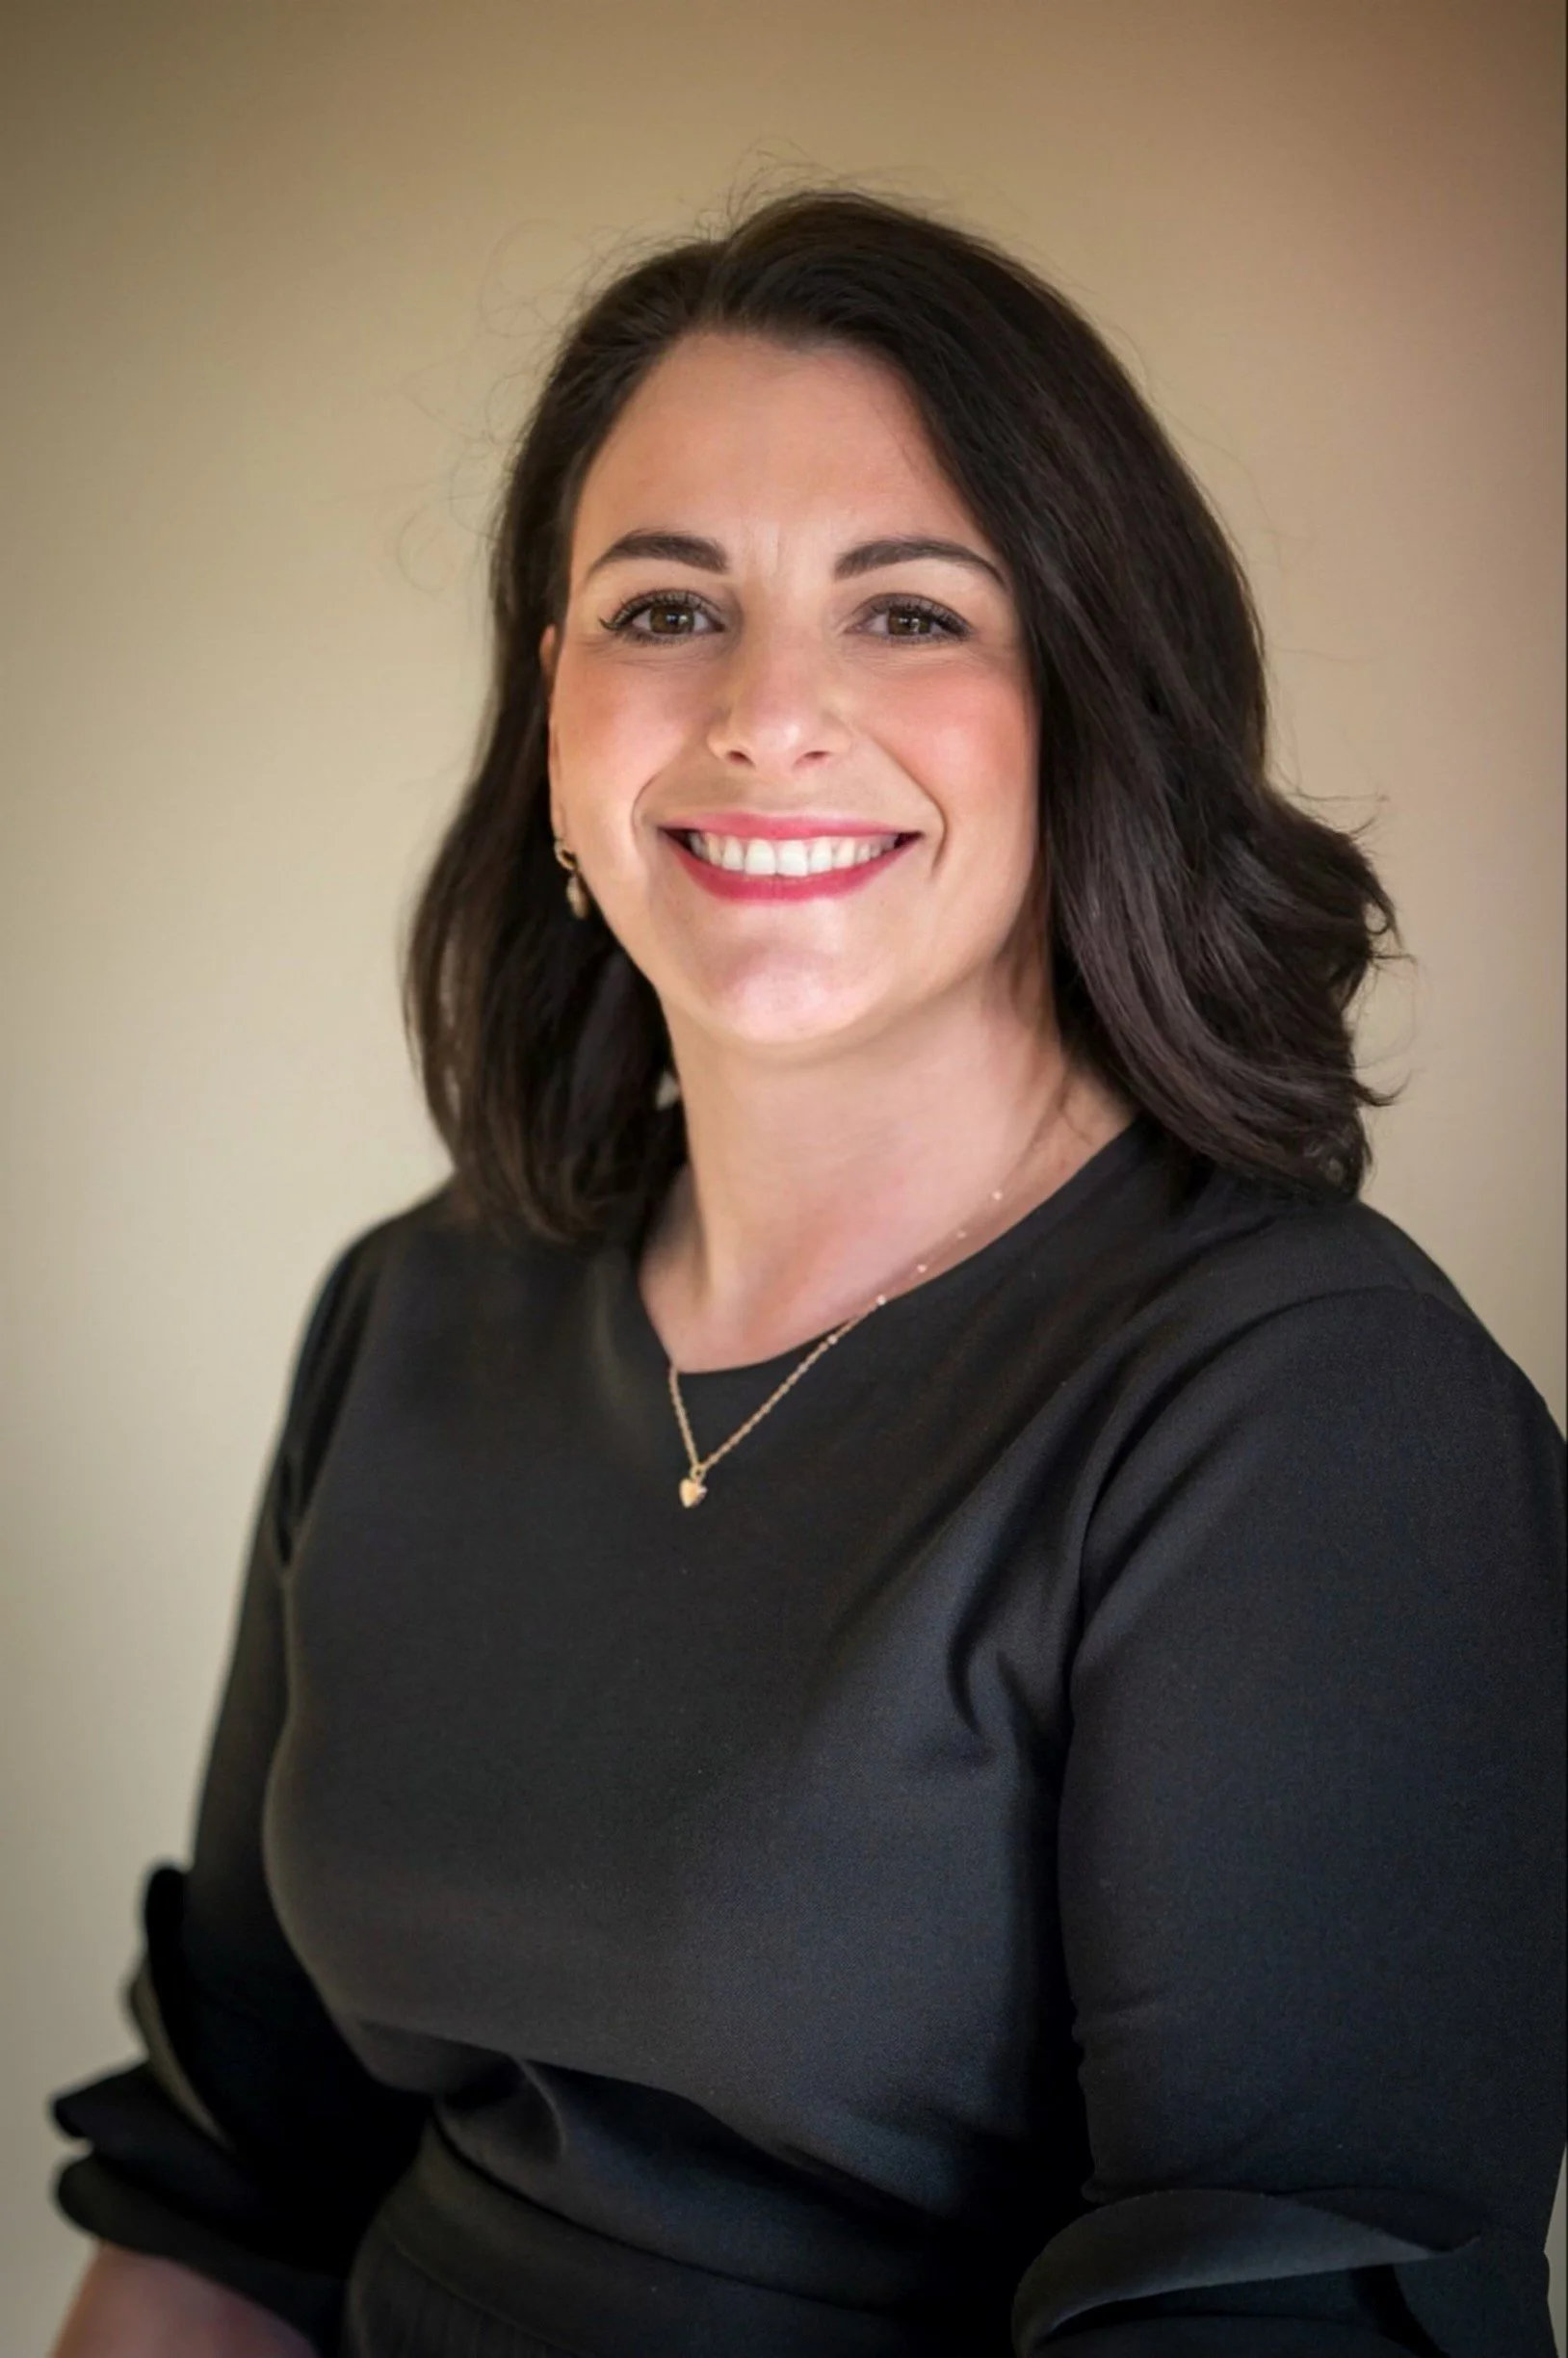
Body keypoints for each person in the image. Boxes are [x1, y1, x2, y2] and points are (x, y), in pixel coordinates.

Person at [46, 189, 1565, 2358]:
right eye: (665, 607)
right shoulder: (420, 1314)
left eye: (910, 614)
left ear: (1090, 711)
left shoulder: (1306, 1415)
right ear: (552, 724)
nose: (768, 712)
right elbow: (237, 2177)